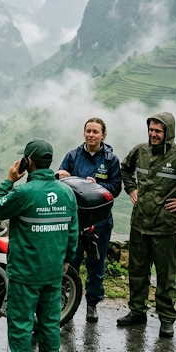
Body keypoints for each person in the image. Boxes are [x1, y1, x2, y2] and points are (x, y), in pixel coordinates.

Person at [0, 139, 78, 352]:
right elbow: (73, 232)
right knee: (50, 324)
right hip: (53, 271)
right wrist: (67, 259)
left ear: (28, 162)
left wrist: (8, 180)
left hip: (26, 272)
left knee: (21, 325)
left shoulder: (24, 193)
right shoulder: (67, 193)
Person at [118, 112, 176, 338]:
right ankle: (137, 312)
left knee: (166, 276)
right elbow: (124, 168)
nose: (153, 134)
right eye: (151, 130)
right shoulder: (140, 151)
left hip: (167, 226)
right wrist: (131, 188)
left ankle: (166, 318)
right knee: (137, 272)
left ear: (168, 132)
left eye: (158, 131)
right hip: (139, 223)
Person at [56, 117, 122, 323]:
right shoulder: (73, 155)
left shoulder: (111, 159)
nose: (91, 135)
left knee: (96, 264)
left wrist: (98, 187)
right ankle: (66, 301)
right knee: (69, 263)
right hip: (74, 221)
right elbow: (59, 181)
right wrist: (60, 176)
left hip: (100, 222)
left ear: (103, 135)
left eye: (95, 132)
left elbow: (116, 187)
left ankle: (92, 304)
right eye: (88, 131)